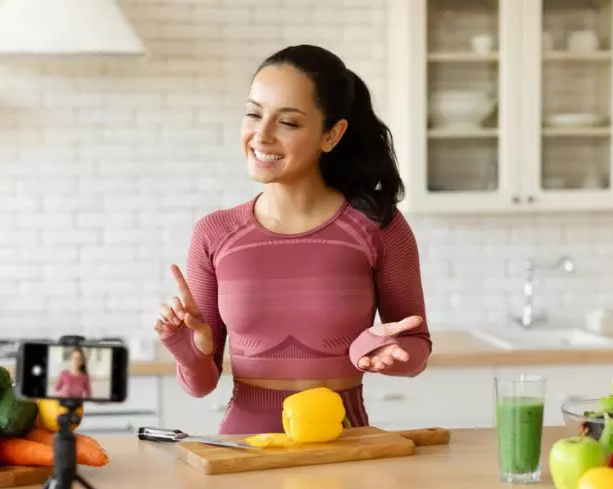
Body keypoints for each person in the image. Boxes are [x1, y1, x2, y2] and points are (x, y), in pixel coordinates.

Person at [154, 44, 431, 435]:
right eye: (253, 114)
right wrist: (188, 352)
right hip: (245, 453)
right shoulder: (214, 233)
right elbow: (200, 385)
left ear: (331, 135)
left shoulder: (378, 226)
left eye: (288, 123)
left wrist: (381, 351)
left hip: (344, 448)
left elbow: (416, 348)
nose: (261, 135)